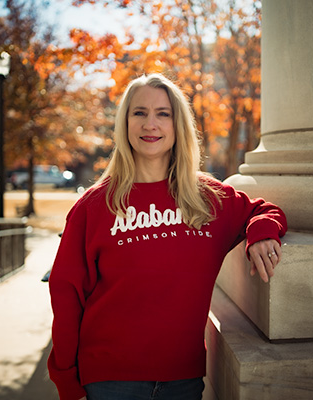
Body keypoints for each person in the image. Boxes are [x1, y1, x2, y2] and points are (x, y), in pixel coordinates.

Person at [47, 73, 287, 400]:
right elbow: (66, 295)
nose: (151, 124)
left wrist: (261, 233)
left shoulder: (209, 199)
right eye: (139, 113)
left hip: (183, 380)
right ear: (125, 123)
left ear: (178, 125)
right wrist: (66, 380)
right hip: (109, 379)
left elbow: (263, 210)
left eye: (163, 113)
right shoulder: (93, 207)